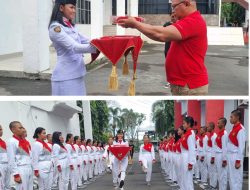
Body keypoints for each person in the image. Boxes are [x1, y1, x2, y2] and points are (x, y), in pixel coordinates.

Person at [118, 0, 209, 95]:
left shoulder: (193, 21)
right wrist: (139, 24)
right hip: (183, 84)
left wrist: (136, 24)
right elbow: (160, 32)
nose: (173, 11)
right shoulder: (187, 21)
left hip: (190, 85)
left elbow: (160, 34)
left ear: (186, 4)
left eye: (174, 7)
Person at [48, 0, 97, 95]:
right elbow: (74, 47)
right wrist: (98, 48)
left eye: (75, 8)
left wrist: (104, 43)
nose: (74, 10)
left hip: (77, 74)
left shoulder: (70, 26)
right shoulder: (55, 28)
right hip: (65, 77)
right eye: (71, 7)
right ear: (61, 8)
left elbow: (88, 41)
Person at [7, 121, 33, 190]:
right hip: (21, 169)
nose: (22, 129)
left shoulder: (25, 141)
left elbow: (30, 156)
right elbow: (11, 160)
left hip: (29, 168)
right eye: (20, 128)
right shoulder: (11, 141)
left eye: (22, 127)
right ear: (13, 130)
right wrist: (16, 175)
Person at [227, 109, 246, 190]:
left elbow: (241, 146)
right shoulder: (233, 128)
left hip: (236, 156)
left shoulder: (241, 129)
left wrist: (238, 161)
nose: (230, 119)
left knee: (236, 178)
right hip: (230, 155)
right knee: (231, 178)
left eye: (231, 117)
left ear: (237, 117)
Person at [180, 116, 196, 190]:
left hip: (187, 157)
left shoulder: (190, 133)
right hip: (184, 157)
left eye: (184, 123)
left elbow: (192, 149)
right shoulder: (187, 133)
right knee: (184, 178)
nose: (183, 125)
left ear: (189, 124)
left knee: (188, 179)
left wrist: (191, 163)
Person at [214, 118, 228, 190]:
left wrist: (224, 160)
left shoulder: (224, 133)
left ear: (223, 124)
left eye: (219, 123)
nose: (217, 124)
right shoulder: (219, 132)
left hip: (221, 155)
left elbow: (225, 148)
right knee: (219, 174)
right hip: (217, 155)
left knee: (223, 175)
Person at [206, 122, 217, 189]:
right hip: (209, 154)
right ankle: (211, 184)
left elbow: (214, 147)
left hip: (212, 155)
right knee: (210, 171)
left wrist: (213, 157)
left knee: (213, 171)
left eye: (209, 126)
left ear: (212, 127)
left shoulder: (214, 136)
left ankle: (214, 185)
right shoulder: (210, 135)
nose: (207, 128)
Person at [0, 125, 11, 190]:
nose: (1, 131)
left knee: (7, 185)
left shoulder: (3, 142)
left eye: (1, 129)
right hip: (1, 165)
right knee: (1, 185)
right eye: (0, 130)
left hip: (7, 164)